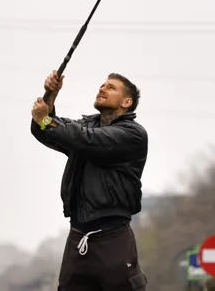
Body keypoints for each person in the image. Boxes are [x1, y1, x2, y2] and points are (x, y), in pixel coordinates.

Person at [30, 70, 149, 291]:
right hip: (77, 238)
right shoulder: (85, 128)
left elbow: (85, 139)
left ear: (126, 102)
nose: (102, 88)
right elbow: (45, 130)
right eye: (102, 85)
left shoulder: (133, 134)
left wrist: (46, 120)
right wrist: (50, 95)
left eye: (111, 87)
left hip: (113, 238)